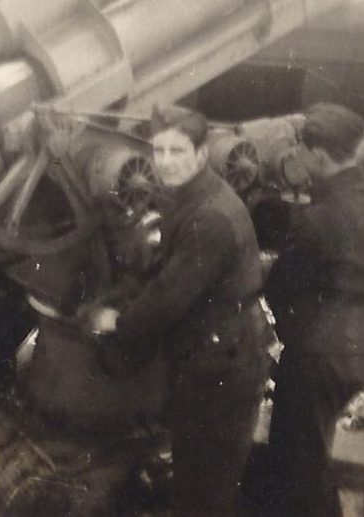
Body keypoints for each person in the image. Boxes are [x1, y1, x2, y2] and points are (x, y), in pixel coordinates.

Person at [80, 105, 271, 516]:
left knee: (204, 492)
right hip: (215, 358)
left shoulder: (210, 217)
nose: (165, 162)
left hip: (220, 371)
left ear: (202, 154)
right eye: (159, 151)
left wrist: (117, 320)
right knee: (198, 482)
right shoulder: (195, 196)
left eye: (177, 151)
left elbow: (169, 297)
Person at [265, 103, 364, 517]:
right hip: (361, 346)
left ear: (320, 156)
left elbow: (278, 288)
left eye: (302, 150)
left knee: (299, 463)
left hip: (319, 355)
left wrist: (297, 338)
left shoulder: (317, 220)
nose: (298, 158)